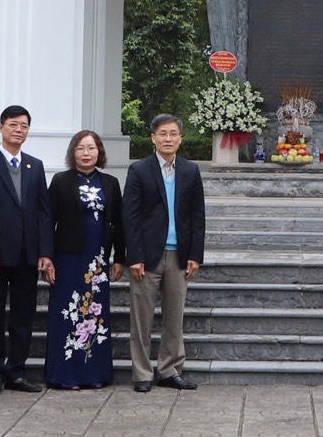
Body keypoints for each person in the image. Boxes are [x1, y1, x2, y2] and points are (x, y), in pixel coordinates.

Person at [121, 114, 204, 394]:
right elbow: (130, 216)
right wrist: (134, 256)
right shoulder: (139, 170)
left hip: (179, 256)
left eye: (173, 134)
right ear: (153, 138)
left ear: (180, 138)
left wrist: (195, 255)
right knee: (141, 319)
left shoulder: (190, 170)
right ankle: (142, 373)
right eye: (163, 134)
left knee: (174, 318)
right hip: (146, 257)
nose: (168, 139)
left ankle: (170, 370)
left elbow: (197, 216)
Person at [0, 106, 50, 395]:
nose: (19, 130)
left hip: (27, 255)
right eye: (13, 124)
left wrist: (45, 252)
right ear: (1, 127)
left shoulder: (35, 165)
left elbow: (43, 212)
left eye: (24, 126)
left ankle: (16, 371)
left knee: (23, 316)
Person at [42, 131, 122, 391]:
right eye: (80, 148)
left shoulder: (110, 183)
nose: (86, 153)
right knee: (67, 313)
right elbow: (47, 221)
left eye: (91, 148)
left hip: (97, 262)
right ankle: (65, 375)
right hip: (68, 259)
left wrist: (119, 258)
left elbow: (119, 223)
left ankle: (94, 373)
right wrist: (47, 257)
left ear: (99, 152)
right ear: (72, 152)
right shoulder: (60, 181)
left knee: (95, 316)